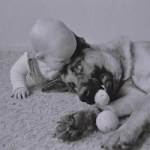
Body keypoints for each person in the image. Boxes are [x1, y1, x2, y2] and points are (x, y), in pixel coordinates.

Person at [10, 18, 77, 99]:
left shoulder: (64, 55)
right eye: (62, 61)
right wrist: (19, 86)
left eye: (71, 55)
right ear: (41, 58)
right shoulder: (30, 61)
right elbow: (16, 71)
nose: (69, 61)